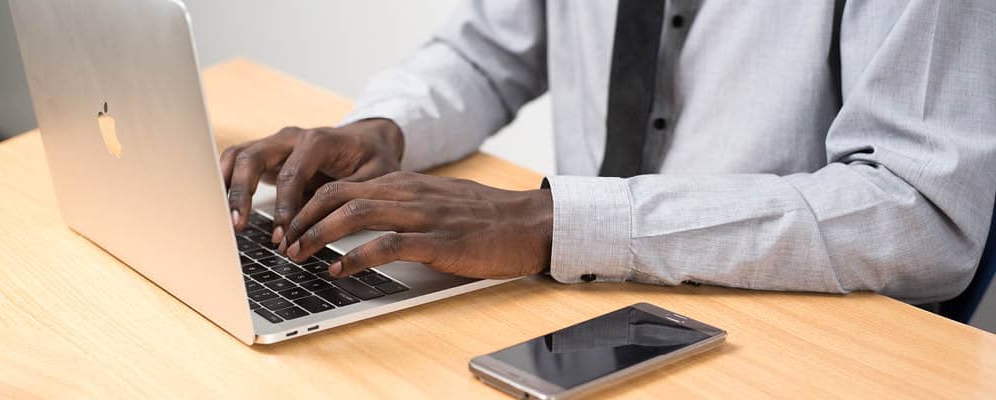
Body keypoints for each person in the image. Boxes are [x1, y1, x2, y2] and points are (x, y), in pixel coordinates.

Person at [220, 1, 996, 305]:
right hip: (582, 293)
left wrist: (555, 221)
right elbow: (494, 49)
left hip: (783, 320)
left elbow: (917, 210)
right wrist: (385, 130)